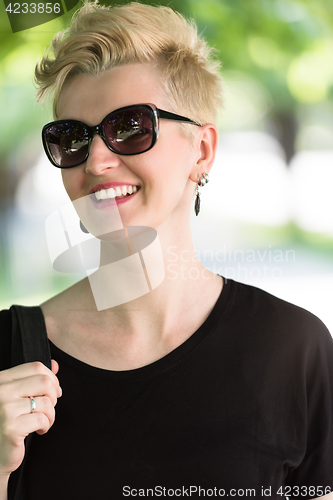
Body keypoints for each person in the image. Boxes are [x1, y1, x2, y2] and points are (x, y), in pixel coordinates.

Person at [0, 1, 333, 499]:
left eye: (130, 127)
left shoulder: (295, 350)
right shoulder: (7, 358)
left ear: (202, 151)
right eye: (71, 138)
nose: (95, 158)